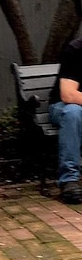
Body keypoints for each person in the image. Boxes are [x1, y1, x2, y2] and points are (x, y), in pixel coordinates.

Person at [49, 37, 82, 204]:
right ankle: (69, 180)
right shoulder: (76, 50)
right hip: (63, 107)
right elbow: (68, 95)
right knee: (73, 113)